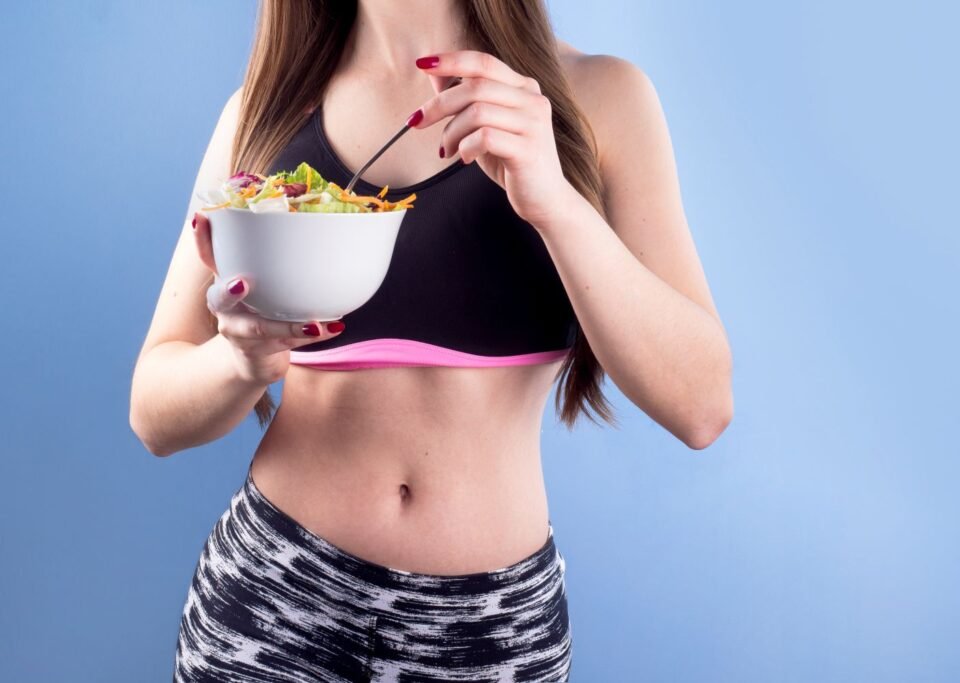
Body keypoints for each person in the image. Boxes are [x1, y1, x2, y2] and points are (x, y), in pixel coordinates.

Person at [129, 1, 734, 680]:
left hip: (489, 630)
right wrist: (238, 361)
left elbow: (701, 404)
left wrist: (555, 201)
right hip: (275, 602)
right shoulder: (262, 114)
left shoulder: (596, 100)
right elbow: (153, 411)